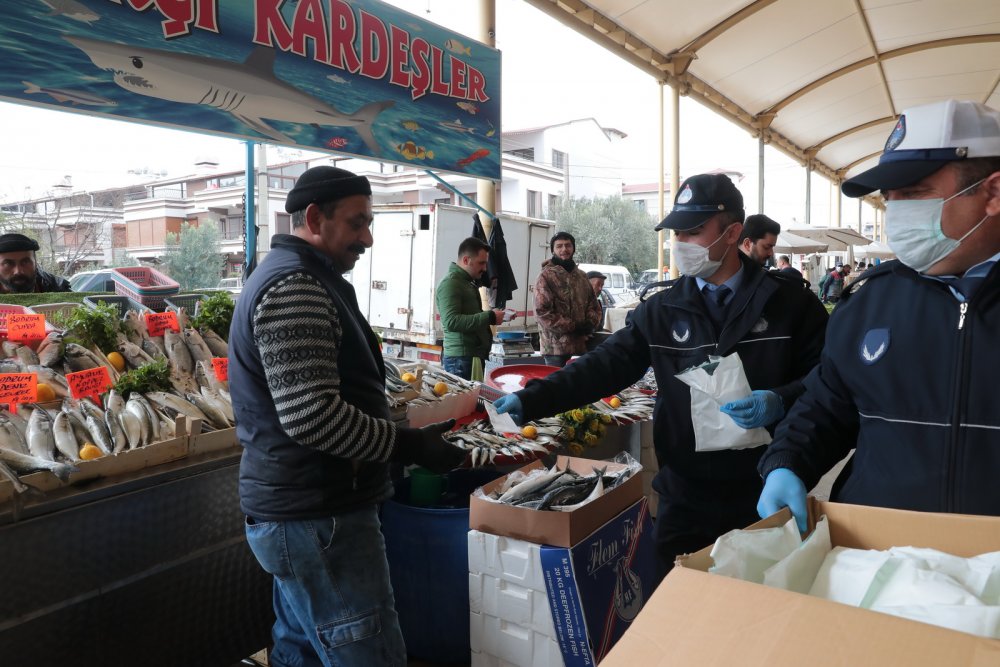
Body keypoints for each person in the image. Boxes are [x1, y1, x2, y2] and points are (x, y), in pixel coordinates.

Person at [495, 174, 828, 579]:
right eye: (676, 233)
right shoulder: (663, 309)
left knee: (764, 608)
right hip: (686, 495)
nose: (681, 243)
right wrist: (533, 398)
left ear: (733, 233)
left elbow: (827, 381)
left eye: (692, 231)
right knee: (676, 607)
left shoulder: (790, 303)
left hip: (764, 490)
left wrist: (782, 398)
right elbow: (605, 365)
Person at [228, 166, 467, 666]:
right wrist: (410, 446)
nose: (368, 237)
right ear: (314, 217)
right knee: (366, 652)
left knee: (302, 650)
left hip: (307, 512)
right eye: (358, 223)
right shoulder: (296, 287)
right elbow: (313, 416)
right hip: (320, 516)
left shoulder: (309, 278)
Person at [757, 99, 1000, 533]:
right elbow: (827, 406)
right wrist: (787, 462)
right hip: (876, 559)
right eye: (890, 198)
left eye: (914, 193)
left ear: (993, 193)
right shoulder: (870, 302)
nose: (897, 213)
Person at [435, 237, 507, 380]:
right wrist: (490, 317)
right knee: (464, 402)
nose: (485, 269)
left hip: (469, 357)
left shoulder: (466, 282)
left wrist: (490, 315)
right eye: (481, 263)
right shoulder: (451, 283)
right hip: (460, 360)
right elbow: (451, 321)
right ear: (466, 260)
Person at [533, 231, 602, 367]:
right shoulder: (545, 276)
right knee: (556, 386)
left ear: (573, 248)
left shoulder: (582, 276)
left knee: (579, 386)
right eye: (559, 246)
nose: (564, 249)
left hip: (581, 345)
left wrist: (589, 324)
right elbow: (542, 312)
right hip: (555, 349)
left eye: (568, 245)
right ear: (553, 250)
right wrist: (574, 326)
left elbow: (594, 306)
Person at [0, 233, 71, 293]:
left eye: (25, 262)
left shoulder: (58, 288)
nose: (18, 271)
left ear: (36, 263)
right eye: (8, 264)